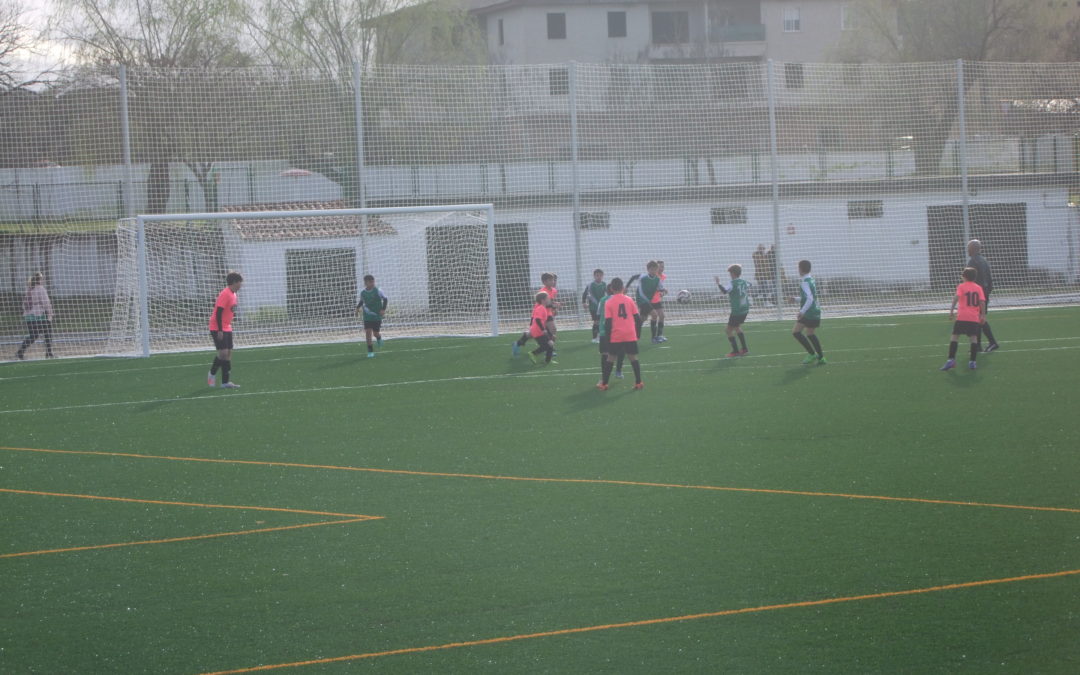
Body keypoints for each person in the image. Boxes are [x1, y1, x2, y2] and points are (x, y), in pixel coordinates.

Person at [598, 277, 643, 390]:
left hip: (616, 335)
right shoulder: (629, 300)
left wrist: (608, 338)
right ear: (623, 288)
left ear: (611, 289)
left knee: (610, 358)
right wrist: (637, 334)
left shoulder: (608, 302)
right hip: (630, 334)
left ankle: (604, 384)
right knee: (633, 358)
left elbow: (608, 323)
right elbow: (638, 320)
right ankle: (638, 382)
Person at [941, 267, 986, 371]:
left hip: (962, 316)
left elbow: (956, 298)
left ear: (964, 277)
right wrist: (983, 315)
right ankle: (972, 362)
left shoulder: (961, 286)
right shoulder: (978, 287)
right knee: (973, 338)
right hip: (973, 318)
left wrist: (951, 310)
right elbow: (982, 302)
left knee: (955, 336)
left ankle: (951, 360)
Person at [208, 271, 243, 388]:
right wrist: (220, 330)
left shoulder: (234, 294)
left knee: (228, 354)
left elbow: (230, 310)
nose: (241, 285)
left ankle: (225, 382)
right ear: (234, 282)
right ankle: (212, 373)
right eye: (240, 282)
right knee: (223, 353)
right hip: (217, 326)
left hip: (227, 326)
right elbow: (218, 312)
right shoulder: (225, 293)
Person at [966, 239, 999, 352]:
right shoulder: (984, 260)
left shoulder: (973, 262)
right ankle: (978, 346)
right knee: (978, 319)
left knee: (979, 319)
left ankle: (992, 342)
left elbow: (969, 280)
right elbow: (990, 279)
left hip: (976, 294)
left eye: (968, 248)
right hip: (984, 292)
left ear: (972, 249)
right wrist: (987, 292)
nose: (967, 250)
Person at [513, 272, 558, 356]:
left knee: (538, 332)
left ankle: (519, 343)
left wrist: (554, 308)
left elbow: (550, 302)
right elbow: (544, 304)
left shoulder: (554, 290)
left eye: (553, 280)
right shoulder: (543, 291)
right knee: (547, 330)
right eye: (550, 280)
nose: (553, 282)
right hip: (539, 314)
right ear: (544, 282)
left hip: (548, 313)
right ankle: (548, 349)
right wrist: (553, 306)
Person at [792, 259, 825, 365]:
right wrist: (796, 299)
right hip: (815, 310)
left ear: (801, 269)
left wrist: (802, 311)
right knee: (810, 334)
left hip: (809, 312)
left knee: (796, 332)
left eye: (798, 268)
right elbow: (810, 297)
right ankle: (821, 358)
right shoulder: (811, 280)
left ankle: (812, 354)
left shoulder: (805, 282)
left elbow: (809, 299)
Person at [715, 263, 751, 357]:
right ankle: (744, 349)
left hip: (737, 310)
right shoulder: (744, 281)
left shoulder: (732, 283)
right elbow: (749, 285)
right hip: (745, 309)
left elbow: (724, 291)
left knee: (728, 330)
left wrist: (718, 283)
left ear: (733, 273)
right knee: (737, 327)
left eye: (730, 273)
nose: (729, 275)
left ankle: (735, 351)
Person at [15, 272, 54, 360]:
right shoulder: (41, 289)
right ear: (40, 279)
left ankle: (20, 352)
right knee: (48, 333)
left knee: (33, 335)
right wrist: (50, 313)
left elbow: (24, 304)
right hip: (39, 315)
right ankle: (49, 352)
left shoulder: (29, 289)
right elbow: (46, 303)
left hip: (29, 317)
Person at [633, 260, 666, 343]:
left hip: (654, 300)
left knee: (660, 316)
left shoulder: (660, 278)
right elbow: (637, 280)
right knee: (647, 317)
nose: (661, 268)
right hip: (646, 301)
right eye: (660, 267)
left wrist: (663, 292)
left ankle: (658, 336)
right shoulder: (645, 277)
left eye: (662, 267)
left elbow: (660, 289)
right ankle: (637, 334)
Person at [356, 274, 388, 358]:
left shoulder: (378, 290)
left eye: (373, 281)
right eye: (369, 282)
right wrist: (357, 308)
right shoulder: (363, 293)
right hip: (367, 316)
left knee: (375, 333)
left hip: (376, 315)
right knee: (368, 332)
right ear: (366, 283)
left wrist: (383, 309)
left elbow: (385, 299)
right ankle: (370, 351)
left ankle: (379, 338)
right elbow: (362, 301)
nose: (372, 283)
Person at [526, 291, 556, 365]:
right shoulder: (541, 308)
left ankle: (547, 361)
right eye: (547, 298)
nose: (549, 299)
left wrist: (547, 331)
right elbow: (538, 320)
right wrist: (543, 330)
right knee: (547, 345)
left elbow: (542, 321)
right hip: (537, 331)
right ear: (543, 300)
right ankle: (533, 353)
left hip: (540, 330)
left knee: (550, 345)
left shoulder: (543, 308)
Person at [582, 268, 607, 343]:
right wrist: (584, 302)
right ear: (594, 276)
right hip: (593, 307)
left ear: (602, 276)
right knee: (596, 322)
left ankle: (599, 337)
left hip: (602, 307)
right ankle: (594, 338)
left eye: (600, 275)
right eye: (597, 275)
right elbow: (585, 293)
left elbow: (608, 293)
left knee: (601, 322)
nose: (599, 277)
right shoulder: (590, 285)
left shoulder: (604, 284)